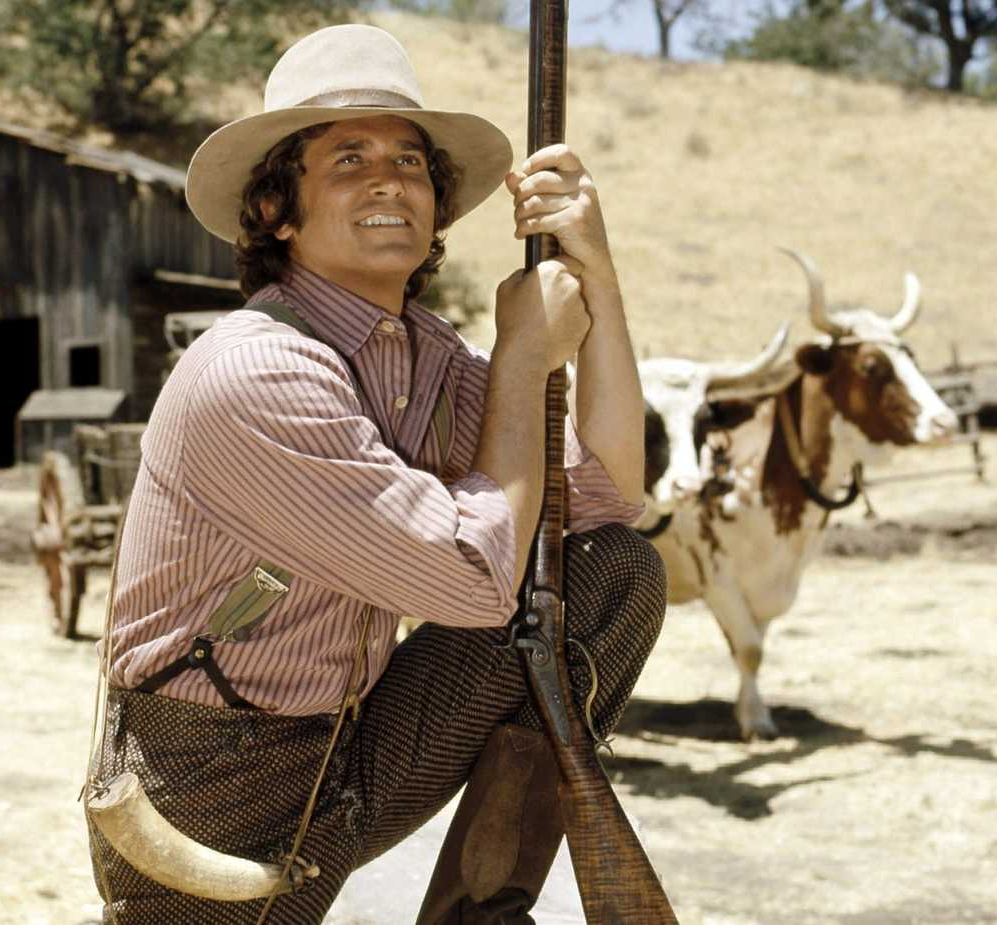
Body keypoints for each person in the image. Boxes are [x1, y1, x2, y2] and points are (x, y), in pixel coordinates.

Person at [86, 23, 667, 925]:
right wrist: (522, 360)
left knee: (613, 569)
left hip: (350, 748)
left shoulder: (421, 354)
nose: (389, 179)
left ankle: (481, 912)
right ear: (277, 209)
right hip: (206, 793)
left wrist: (599, 273)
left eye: (410, 160)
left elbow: (609, 493)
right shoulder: (257, 369)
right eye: (348, 158)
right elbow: (471, 582)